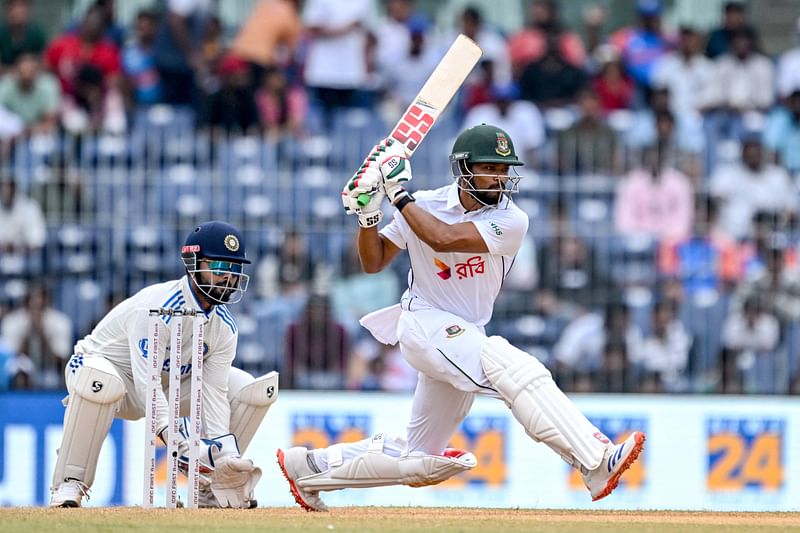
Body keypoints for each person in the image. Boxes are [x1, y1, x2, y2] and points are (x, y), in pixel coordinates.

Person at [276, 124, 645, 511]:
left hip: (462, 334)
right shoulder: (424, 203)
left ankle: (309, 467)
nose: (500, 178)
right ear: (463, 168)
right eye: (491, 168)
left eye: (505, 170)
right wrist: (368, 215)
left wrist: (397, 195)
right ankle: (595, 459)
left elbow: (445, 239)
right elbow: (373, 261)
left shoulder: (512, 220)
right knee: (510, 363)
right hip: (423, 321)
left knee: (419, 460)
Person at [49, 221, 279, 509]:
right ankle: (69, 483)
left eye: (233, 269)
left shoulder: (224, 326)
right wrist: (178, 442)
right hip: (103, 372)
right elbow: (147, 383)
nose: (227, 278)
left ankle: (211, 488)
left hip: (165, 385)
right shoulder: (158, 307)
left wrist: (221, 456)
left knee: (249, 389)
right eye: (219, 267)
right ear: (193, 263)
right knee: (104, 383)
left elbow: (213, 393)